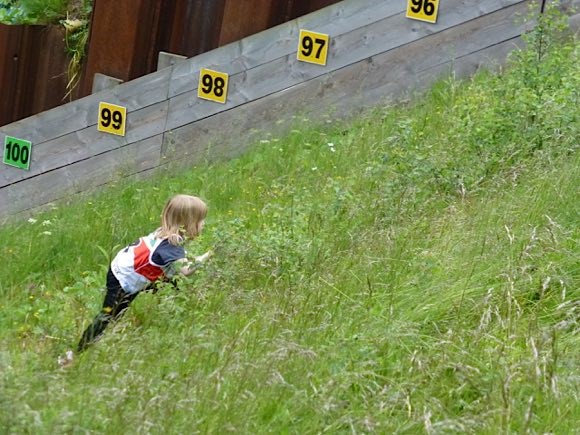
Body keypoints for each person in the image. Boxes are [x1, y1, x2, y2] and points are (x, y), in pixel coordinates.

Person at [76, 194, 211, 352]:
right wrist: (208, 256)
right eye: (200, 220)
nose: (203, 224)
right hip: (122, 279)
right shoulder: (169, 247)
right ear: (186, 223)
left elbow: (177, 261)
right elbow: (185, 270)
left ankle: (174, 304)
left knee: (171, 282)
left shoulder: (168, 235)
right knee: (109, 314)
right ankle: (80, 349)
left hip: (125, 267)